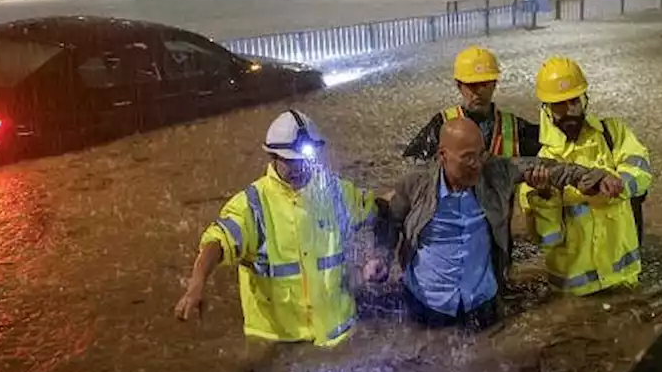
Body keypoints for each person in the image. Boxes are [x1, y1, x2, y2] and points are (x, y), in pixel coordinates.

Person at [384, 117, 622, 328]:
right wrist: (380, 257)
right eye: (468, 158)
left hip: (482, 304)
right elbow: (391, 222)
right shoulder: (415, 184)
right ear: (442, 155)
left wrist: (595, 178)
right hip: (427, 304)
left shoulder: (495, 172)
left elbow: (552, 169)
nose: (477, 164)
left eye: (481, 154)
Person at [175, 110, 387, 345]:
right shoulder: (252, 205)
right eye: (290, 161)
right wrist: (197, 284)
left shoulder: (336, 192)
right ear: (272, 157)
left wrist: (375, 254)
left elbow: (376, 211)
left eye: (304, 160)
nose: (298, 168)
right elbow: (217, 242)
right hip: (280, 342)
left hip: (338, 335)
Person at [520, 57, 652, 295]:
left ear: (584, 99)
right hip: (575, 294)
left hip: (624, 279)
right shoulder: (540, 165)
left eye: (574, 101)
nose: (569, 110)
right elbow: (547, 240)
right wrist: (544, 196)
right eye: (559, 105)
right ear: (546, 110)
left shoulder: (613, 133)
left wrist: (618, 184)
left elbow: (641, 171)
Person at [403, 46, 541, 161]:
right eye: (472, 85)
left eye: (484, 84)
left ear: (494, 84)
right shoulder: (441, 124)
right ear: (459, 86)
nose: (479, 92)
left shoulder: (516, 128)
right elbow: (414, 162)